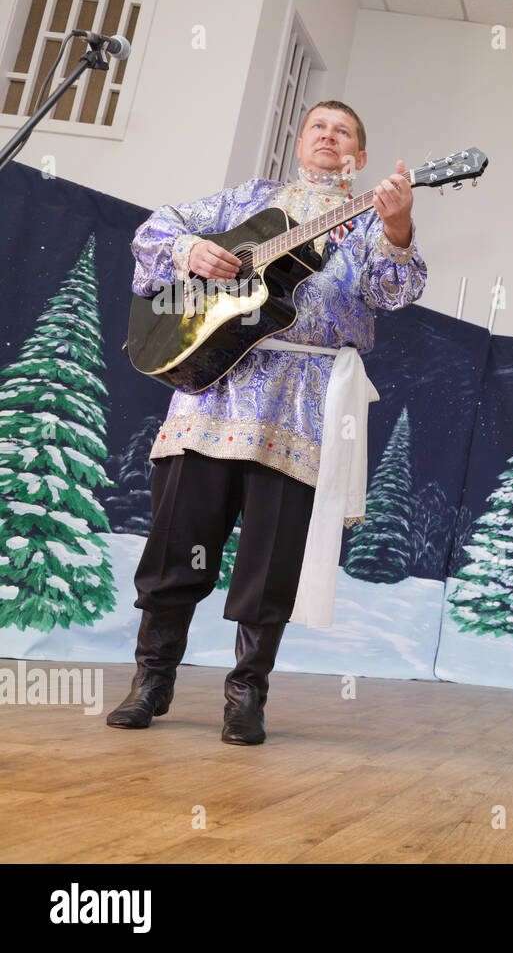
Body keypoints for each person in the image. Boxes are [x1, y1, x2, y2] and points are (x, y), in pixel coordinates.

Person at [107, 100, 427, 744]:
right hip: (212, 392)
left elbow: (398, 290)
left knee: (270, 556)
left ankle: (246, 693)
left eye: (343, 133)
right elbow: (153, 232)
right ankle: (151, 679)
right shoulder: (249, 202)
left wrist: (399, 229)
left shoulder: (366, 221)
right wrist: (194, 250)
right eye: (318, 127)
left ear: (360, 158)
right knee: (178, 544)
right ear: (301, 141)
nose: (328, 138)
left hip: (302, 401)